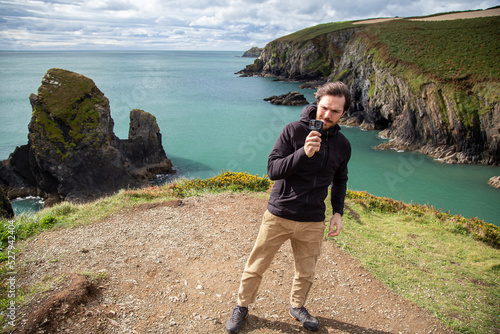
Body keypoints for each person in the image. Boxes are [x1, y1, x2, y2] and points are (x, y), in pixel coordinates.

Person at [225, 81, 352, 333]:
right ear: (317, 103)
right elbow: (273, 170)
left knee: (306, 272)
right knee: (256, 265)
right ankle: (241, 306)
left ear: (344, 113)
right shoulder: (293, 130)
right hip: (280, 214)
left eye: (335, 111)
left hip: (314, 219)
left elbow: (340, 179)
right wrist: (303, 152)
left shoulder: (343, 145)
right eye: (324, 108)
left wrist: (338, 212)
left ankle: (297, 306)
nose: (327, 115)